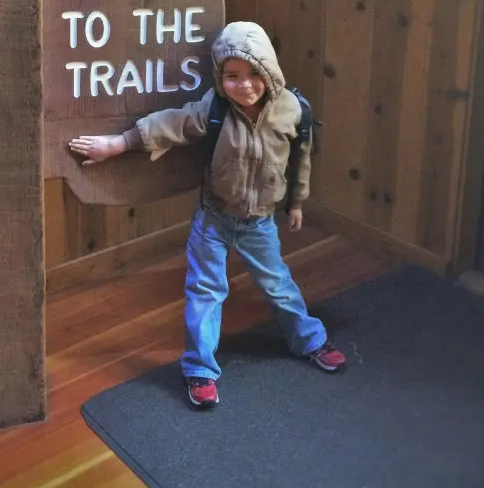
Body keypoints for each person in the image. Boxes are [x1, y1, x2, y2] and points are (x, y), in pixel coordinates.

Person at [68, 20, 346, 409]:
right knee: (205, 291)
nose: (244, 85)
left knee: (278, 285)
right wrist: (118, 144)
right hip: (214, 220)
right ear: (220, 75)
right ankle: (199, 368)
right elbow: (171, 124)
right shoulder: (214, 108)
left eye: (254, 74)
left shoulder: (293, 111)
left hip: (260, 223)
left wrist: (297, 203)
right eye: (232, 76)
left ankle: (309, 340)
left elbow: (300, 160)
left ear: (269, 71)